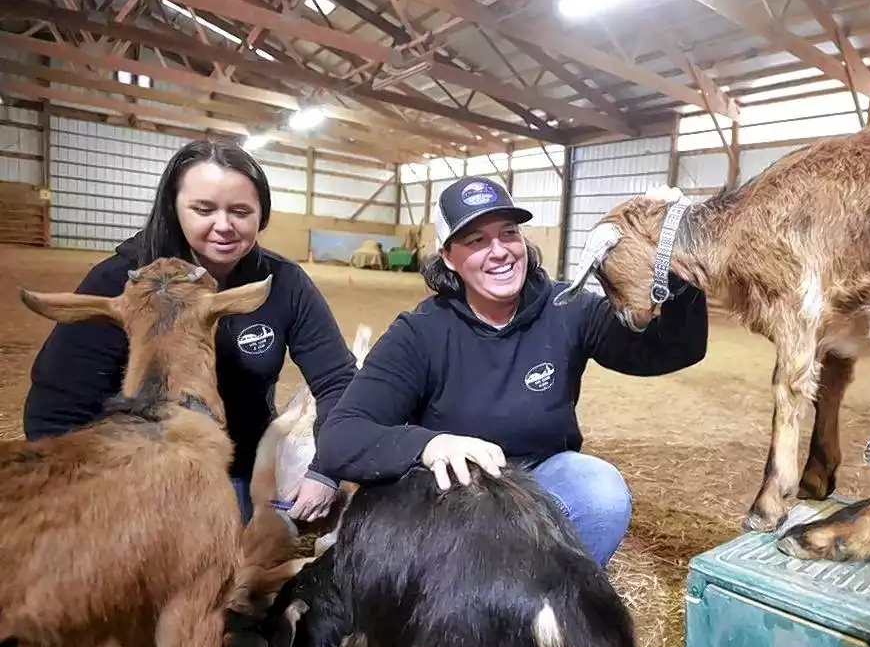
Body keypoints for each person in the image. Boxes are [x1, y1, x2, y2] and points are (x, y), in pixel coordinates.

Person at [314, 176, 709, 565]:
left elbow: (673, 349)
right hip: (451, 494)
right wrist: (429, 445)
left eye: (508, 233)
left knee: (599, 492)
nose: (500, 251)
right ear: (448, 256)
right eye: (476, 240)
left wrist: (676, 263)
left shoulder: (566, 307)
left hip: (539, 478)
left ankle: (554, 600)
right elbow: (340, 437)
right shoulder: (420, 333)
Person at [23, 138, 356, 525]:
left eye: (241, 211)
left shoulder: (282, 282)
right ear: (174, 208)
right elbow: (57, 409)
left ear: (261, 215)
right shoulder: (122, 282)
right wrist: (86, 499)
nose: (224, 226)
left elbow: (338, 381)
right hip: (127, 471)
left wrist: (326, 469)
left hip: (234, 466)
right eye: (203, 209)